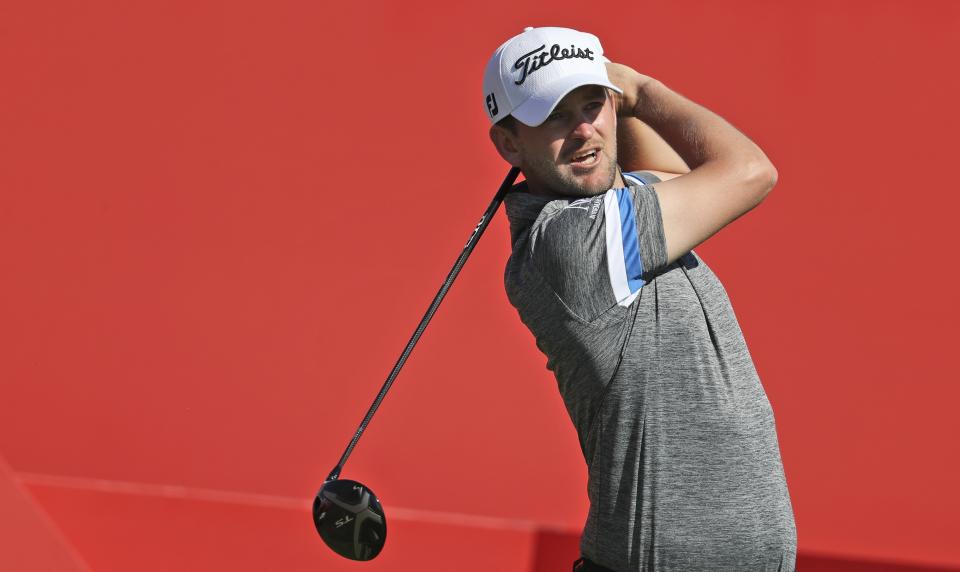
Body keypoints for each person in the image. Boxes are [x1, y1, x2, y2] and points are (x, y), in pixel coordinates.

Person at [483, 27, 797, 571]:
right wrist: (643, 92)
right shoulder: (570, 243)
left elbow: (674, 177)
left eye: (592, 105)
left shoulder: (612, 215)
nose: (585, 132)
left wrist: (618, 102)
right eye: (556, 116)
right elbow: (750, 172)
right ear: (510, 143)